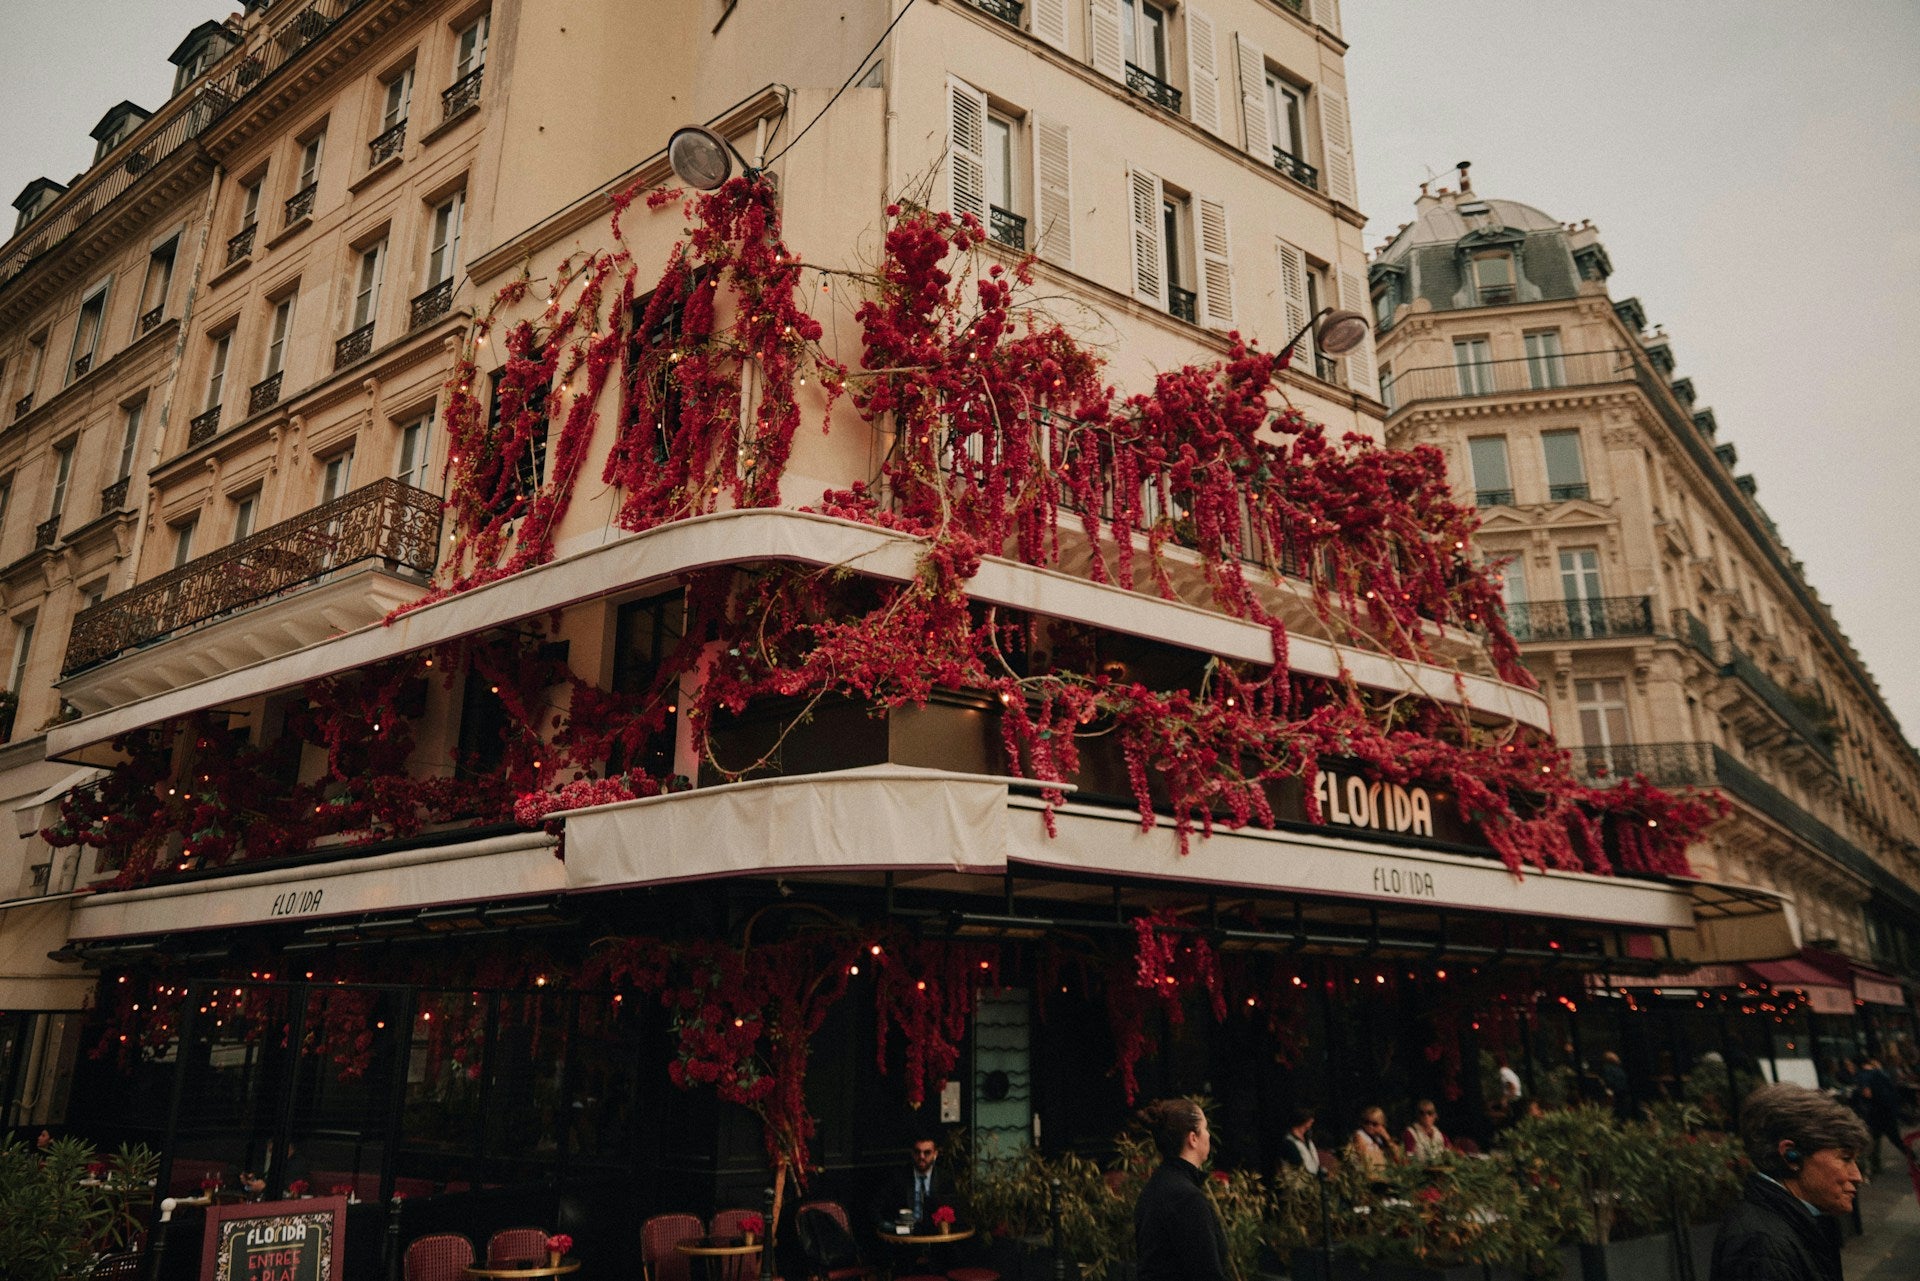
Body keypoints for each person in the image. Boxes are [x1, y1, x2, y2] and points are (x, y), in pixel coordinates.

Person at [1710, 1081, 1867, 1281]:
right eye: (1845, 1159)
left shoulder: (1786, 1225)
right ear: (1790, 1155)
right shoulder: (1761, 1246)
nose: (1857, 1176)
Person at [1134, 1098, 1229, 1281]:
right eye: (1206, 1128)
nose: (1209, 1135)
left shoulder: (1156, 1187)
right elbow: (1207, 1273)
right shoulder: (1186, 1198)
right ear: (1193, 1138)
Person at [873, 1130, 962, 1232]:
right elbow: (876, 1207)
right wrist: (887, 1227)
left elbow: (955, 1214)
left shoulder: (945, 1179)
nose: (921, 1157)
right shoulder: (898, 1177)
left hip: (935, 1237)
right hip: (904, 1238)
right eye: (917, 1152)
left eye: (927, 1152)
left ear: (935, 1154)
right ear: (912, 1153)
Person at [1850, 1057, 1912, 1175]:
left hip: (1876, 1112)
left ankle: (1872, 1167)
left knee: (1872, 1139)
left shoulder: (1862, 1075)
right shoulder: (1880, 1072)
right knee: (1894, 1139)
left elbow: (1867, 1094)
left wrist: (1858, 1094)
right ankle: (1913, 1159)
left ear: (1858, 1065)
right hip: (1888, 1110)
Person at [1347, 1105, 1398, 1174]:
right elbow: (1367, 1159)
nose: (1370, 1126)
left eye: (1375, 1124)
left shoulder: (1379, 1139)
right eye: (1366, 1122)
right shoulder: (1360, 1134)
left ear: (1382, 1125)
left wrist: (1387, 1137)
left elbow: (1398, 1156)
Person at [1275, 1105, 1322, 1175]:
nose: (1313, 1120)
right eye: (1310, 1118)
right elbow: (1299, 1167)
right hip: (1299, 1182)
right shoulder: (1288, 1143)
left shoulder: (1307, 1139)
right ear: (1303, 1119)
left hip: (1312, 1181)